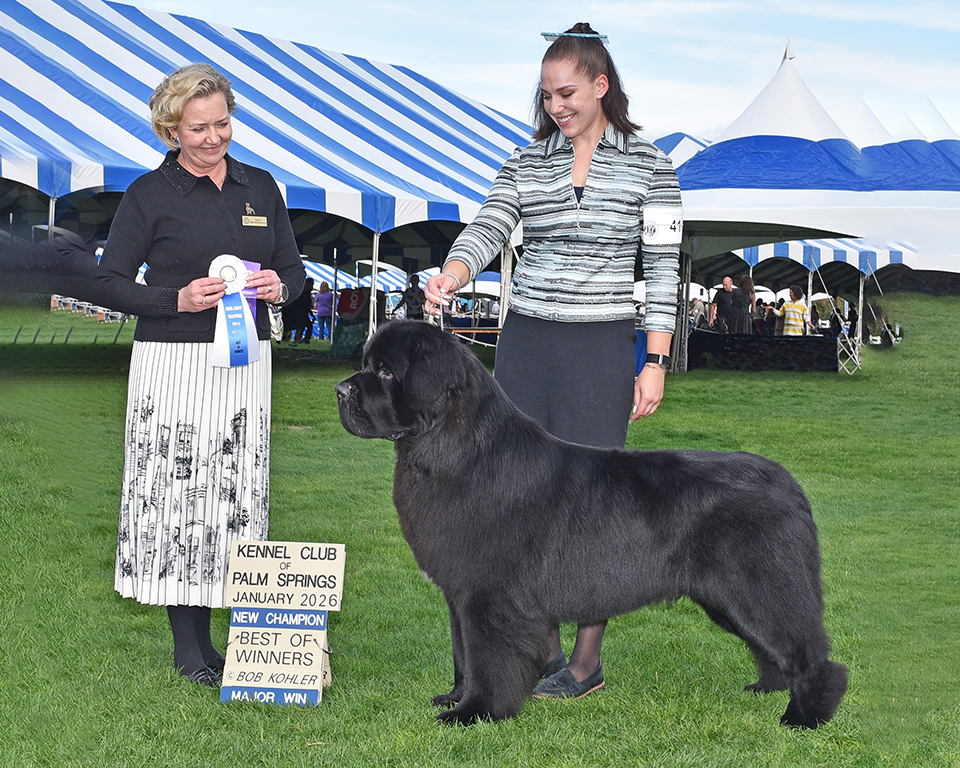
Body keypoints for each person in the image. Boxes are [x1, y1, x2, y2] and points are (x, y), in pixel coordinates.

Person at [424, 22, 681, 701]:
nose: (556, 106)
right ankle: (536, 647)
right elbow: (491, 223)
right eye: (546, 96)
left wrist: (654, 357)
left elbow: (660, 266)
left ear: (601, 85)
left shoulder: (651, 164)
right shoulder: (526, 159)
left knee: (592, 502)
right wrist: (453, 269)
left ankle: (587, 662)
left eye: (567, 93)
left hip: (600, 343)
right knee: (514, 495)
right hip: (528, 341)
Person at [97, 63, 305, 687]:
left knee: (233, 499)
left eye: (222, 124)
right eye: (198, 129)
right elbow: (106, 283)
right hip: (171, 366)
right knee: (178, 499)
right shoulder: (146, 196)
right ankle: (191, 648)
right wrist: (174, 301)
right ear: (170, 129)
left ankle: (227, 641)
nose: (213, 138)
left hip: (245, 366)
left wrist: (278, 288)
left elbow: (297, 276)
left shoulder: (261, 188)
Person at [283, 276, 314, 342]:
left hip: (296, 312)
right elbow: (307, 306)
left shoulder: (301, 292)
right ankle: (300, 339)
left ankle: (289, 339)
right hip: (300, 313)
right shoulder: (305, 294)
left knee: (292, 326)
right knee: (301, 327)